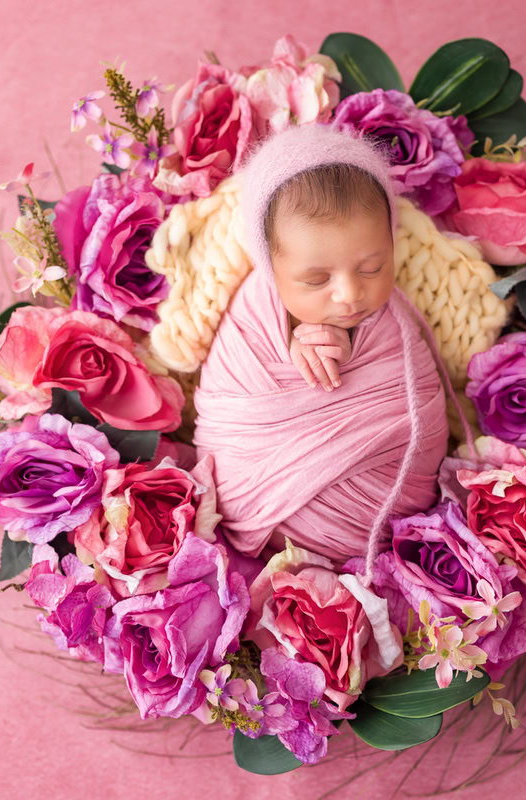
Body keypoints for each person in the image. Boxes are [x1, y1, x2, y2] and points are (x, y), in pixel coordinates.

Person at [192, 123, 458, 578]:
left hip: (383, 512)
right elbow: (228, 407)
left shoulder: (394, 319)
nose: (350, 294)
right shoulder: (252, 313)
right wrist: (294, 339)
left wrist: (354, 348)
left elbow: (413, 403)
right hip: (257, 501)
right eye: (316, 280)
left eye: (374, 266)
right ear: (271, 266)